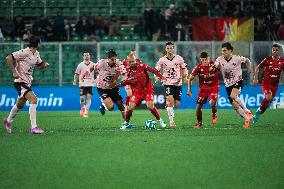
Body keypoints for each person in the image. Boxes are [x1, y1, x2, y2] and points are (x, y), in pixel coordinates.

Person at [3, 35, 49, 134]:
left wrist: (44, 65)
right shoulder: (24, 52)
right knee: (34, 99)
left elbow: (39, 64)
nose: (41, 44)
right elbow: (8, 58)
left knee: (20, 104)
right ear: (37, 43)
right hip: (20, 81)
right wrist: (13, 72)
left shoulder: (36, 53)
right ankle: (34, 127)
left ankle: (8, 120)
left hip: (27, 82)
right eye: (40, 42)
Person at [210, 42, 253, 128]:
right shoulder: (220, 59)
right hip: (228, 84)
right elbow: (214, 67)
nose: (223, 52)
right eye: (222, 51)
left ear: (230, 51)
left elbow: (247, 60)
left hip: (238, 81)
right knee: (235, 106)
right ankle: (246, 119)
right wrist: (212, 68)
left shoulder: (237, 58)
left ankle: (247, 110)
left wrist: (249, 68)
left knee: (233, 96)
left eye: (225, 51)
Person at [120, 53, 167, 129]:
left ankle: (160, 120)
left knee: (150, 106)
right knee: (130, 108)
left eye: (133, 61)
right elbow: (127, 81)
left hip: (147, 90)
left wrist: (161, 77)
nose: (132, 63)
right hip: (137, 92)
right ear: (128, 62)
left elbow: (154, 71)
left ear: (135, 60)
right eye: (130, 62)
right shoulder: (128, 70)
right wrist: (120, 84)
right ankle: (126, 123)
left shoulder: (142, 66)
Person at [81, 49, 126, 122]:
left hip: (113, 87)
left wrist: (123, 81)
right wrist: (84, 75)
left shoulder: (118, 63)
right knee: (111, 108)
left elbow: (124, 73)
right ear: (108, 59)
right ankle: (103, 105)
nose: (114, 61)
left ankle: (126, 123)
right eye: (112, 59)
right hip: (102, 88)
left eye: (115, 59)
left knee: (121, 105)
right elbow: (92, 68)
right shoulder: (101, 63)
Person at [155, 41, 188, 127]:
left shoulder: (179, 58)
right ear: (166, 49)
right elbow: (156, 70)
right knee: (170, 100)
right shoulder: (162, 60)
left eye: (171, 48)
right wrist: (157, 77)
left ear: (173, 48)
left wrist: (185, 75)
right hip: (167, 82)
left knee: (177, 104)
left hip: (178, 83)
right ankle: (171, 121)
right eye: (168, 48)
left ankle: (168, 105)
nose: (169, 50)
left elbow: (184, 68)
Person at [252, 44, 284, 123]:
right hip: (266, 83)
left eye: (276, 50)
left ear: (279, 51)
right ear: (272, 51)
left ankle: (259, 112)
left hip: (275, 85)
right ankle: (259, 112)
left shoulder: (282, 61)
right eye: (273, 50)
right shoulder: (267, 60)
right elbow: (258, 67)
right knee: (269, 97)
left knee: (268, 102)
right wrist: (255, 79)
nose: (275, 51)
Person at [187, 52, 219, 128]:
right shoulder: (198, 67)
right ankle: (199, 122)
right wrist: (189, 90)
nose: (205, 61)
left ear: (209, 59)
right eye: (203, 60)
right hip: (203, 89)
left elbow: (222, 67)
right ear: (200, 60)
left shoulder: (215, 65)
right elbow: (190, 79)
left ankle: (214, 114)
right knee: (198, 108)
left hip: (214, 87)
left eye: (206, 59)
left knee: (212, 103)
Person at [73, 52, 96, 118]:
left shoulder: (93, 65)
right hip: (82, 84)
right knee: (82, 98)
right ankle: (82, 107)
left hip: (90, 84)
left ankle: (86, 112)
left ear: (90, 56)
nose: (86, 56)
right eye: (85, 55)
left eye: (87, 55)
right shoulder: (80, 65)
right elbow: (76, 74)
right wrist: (75, 80)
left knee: (88, 98)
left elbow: (98, 72)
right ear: (83, 57)